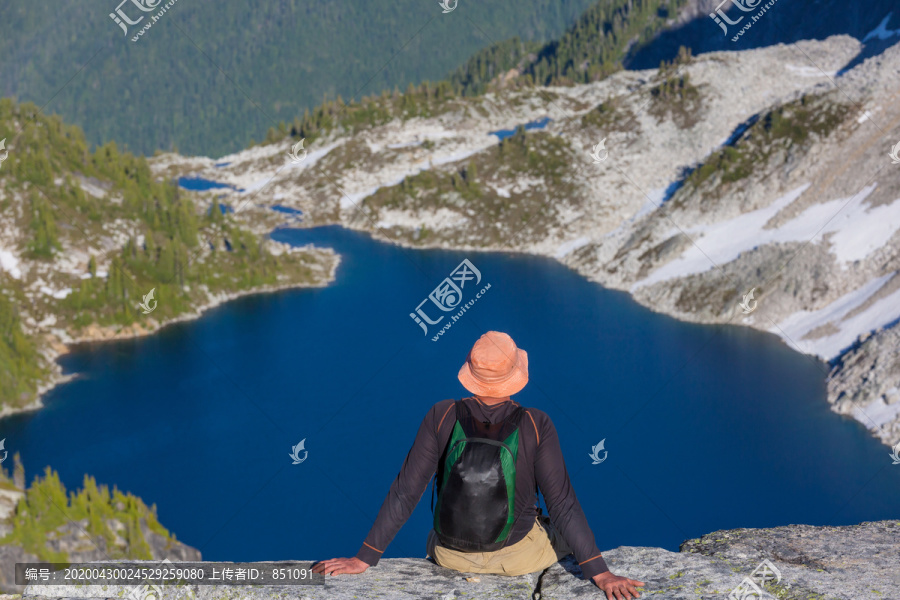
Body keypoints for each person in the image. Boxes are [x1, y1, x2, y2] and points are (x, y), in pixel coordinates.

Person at [313, 331, 644, 599]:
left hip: (449, 555)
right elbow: (561, 503)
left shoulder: (441, 414)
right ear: (516, 375)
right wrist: (599, 572)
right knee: (558, 530)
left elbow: (406, 491)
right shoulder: (535, 423)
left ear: (470, 374)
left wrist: (365, 557)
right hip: (518, 559)